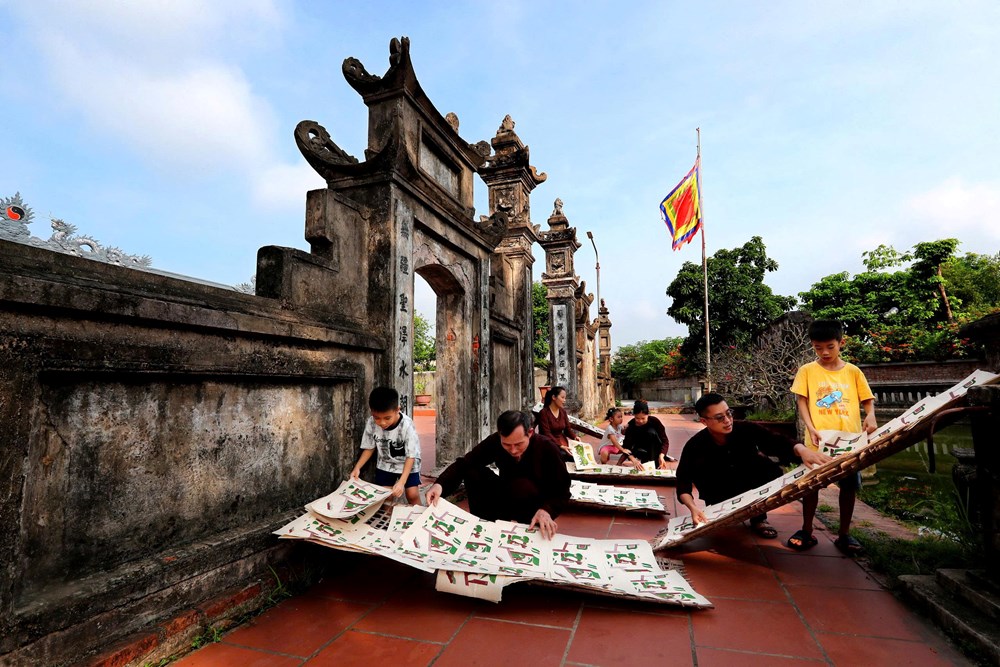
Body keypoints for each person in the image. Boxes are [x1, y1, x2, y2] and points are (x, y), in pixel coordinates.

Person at [676, 393, 829, 538]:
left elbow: (776, 441)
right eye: (719, 418)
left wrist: (803, 451)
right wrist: (693, 508)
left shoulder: (745, 429)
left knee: (765, 467)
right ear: (704, 421)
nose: (728, 421)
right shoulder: (695, 446)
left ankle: (759, 518)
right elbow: (683, 481)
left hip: (751, 485)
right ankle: (723, 514)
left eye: (729, 413)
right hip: (720, 493)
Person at [790, 319, 877, 555]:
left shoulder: (853, 372)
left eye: (830, 346)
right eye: (818, 348)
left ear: (841, 343)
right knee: (811, 487)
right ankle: (806, 530)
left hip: (849, 441)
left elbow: (867, 400)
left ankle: (844, 534)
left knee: (848, 486)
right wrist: (810, 427)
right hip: (818, 440)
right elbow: (802, 401)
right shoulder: (807, 370)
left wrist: (870, 416)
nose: (825, 352)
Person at [426, 410, 570, 539]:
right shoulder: (495, 441)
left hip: (535, 505)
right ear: (500, 435)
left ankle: (524, 525)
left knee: (522, 486)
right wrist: (440, 485)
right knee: (472, 471)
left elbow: (563, 491)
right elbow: (465, 462)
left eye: (518, 444)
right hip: (506, 497)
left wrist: (546, 510)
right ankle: (483, 524)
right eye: (507, 445)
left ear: (530, 433)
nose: (513, 450)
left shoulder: (547, 448)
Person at [350, 386, 422, 505]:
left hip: (408, 463)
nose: (382, 423)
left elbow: (411, 456)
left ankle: (419, 519)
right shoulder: (371, 423)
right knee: (385, 496)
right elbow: (369, 447)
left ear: (397, 410)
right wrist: (357, 467)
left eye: (387, 418)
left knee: (412, 494)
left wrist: (402, 482)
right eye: (377, 418)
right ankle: (387, 521)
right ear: (371, 412)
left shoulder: (407, 426)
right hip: (386, 463)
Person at [622, 399, 674, 468]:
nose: (640, 421)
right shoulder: (631, 425)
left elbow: (665, 441)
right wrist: (633, 459)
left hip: (654, 449)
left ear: (648, 415)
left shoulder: (654, 422)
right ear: (634, 415)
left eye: (643, 418)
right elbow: (626, 447)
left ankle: (655, 459)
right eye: (637, 418)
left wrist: (661, 455)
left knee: (651, 432)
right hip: (639, 450)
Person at [535, 386, 577, 454]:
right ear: (554, 397)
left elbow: (567, 429)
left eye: (565, 398)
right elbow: (546, 433)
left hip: (562, 442)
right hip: (548, 444)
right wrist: (560, 446)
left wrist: (575, 437)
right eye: (562, 397)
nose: (564, 400)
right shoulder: (544, 413)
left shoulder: (563, 412)